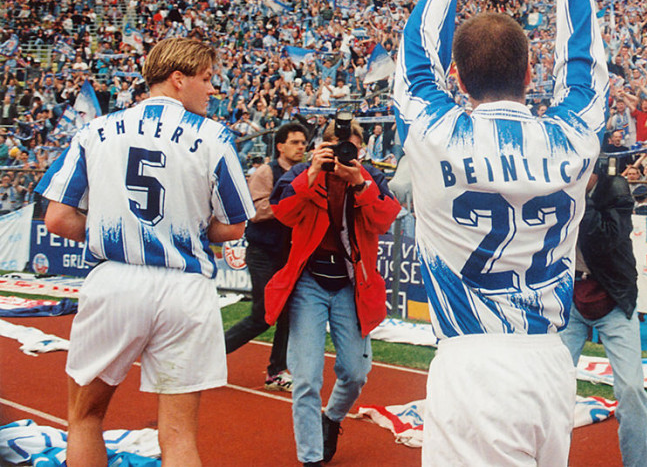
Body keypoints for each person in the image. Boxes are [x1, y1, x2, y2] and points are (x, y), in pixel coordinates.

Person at [393, 0, 608, 465]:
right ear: (532, 69)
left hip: (473, 361)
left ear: (458, 79)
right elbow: (585, 59)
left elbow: (415, 53)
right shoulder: (572, 135)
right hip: (549, 362)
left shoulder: (437, 134)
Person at [34, 37, 254, 467]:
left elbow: (57, 219)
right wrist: (184, 229)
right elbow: (234, 226)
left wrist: (107, 232)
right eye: (207, 79)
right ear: (178, 78)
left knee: (85, 419)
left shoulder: (94, 131)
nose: (213, 89)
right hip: (185, 288)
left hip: (116, 280)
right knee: (178, 436)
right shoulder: (213, 135)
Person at [263, 114, 401, 467]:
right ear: (322, 147)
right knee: (306, 377)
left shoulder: (370, 177)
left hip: (350, 285)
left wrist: (360, 185)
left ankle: (332, 418)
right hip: (309, 282)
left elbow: (385, 219)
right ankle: (311, 457)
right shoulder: (302, 175)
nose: (344, 154)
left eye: (350, 148)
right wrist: (311, 175)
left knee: (355, 373)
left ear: (360, 149)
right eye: (338, 147)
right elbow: (283, 213)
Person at [560, 161, 647, 467]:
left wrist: (578, 201)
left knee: (630, 390)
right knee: (552, 386)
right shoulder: (554, 188)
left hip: (615, 298)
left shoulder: (615, 189)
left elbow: (606, 239)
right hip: (571, 299)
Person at [224, 122, 308, 391]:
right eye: (295, 142)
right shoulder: (266, 171)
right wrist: (289, 205)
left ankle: (276, 371)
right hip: (262, 252)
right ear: (280, 146)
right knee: (263, 314)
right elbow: (255, 210)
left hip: (288, 254)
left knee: (288, 314)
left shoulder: (306, 173)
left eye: (304, 142)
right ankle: (211, 353)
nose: (301, 147)